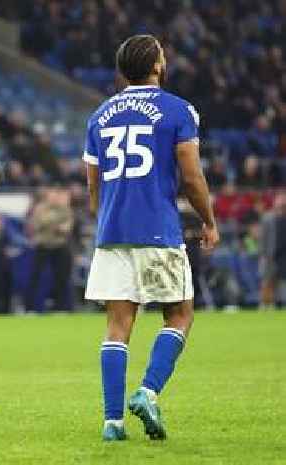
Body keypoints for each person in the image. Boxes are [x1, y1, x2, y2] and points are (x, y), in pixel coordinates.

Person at [83, 35, 219, 441]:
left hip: (112, 231)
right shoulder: (179, 110)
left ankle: (112, 423)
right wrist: (209, 221)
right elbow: (192, 177)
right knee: (179, 314)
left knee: (117, 326)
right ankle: (147, 391)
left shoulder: (99, 116)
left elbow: (94, 185)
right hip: (158, 228)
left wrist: (105, 219)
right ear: (157, 65)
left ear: (123, 70)